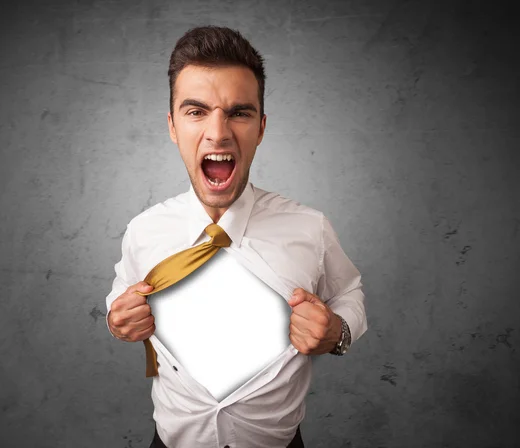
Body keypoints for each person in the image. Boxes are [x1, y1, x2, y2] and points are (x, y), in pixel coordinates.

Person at [105, 26, 368, 448]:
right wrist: (117, 319)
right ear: (172, 126)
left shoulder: (309, 227)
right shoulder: (144, 230)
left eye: (239, 113)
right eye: (196, 112)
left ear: (260, 128)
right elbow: (122, 290)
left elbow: (349, 290)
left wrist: (336, 332)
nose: (218, 132)